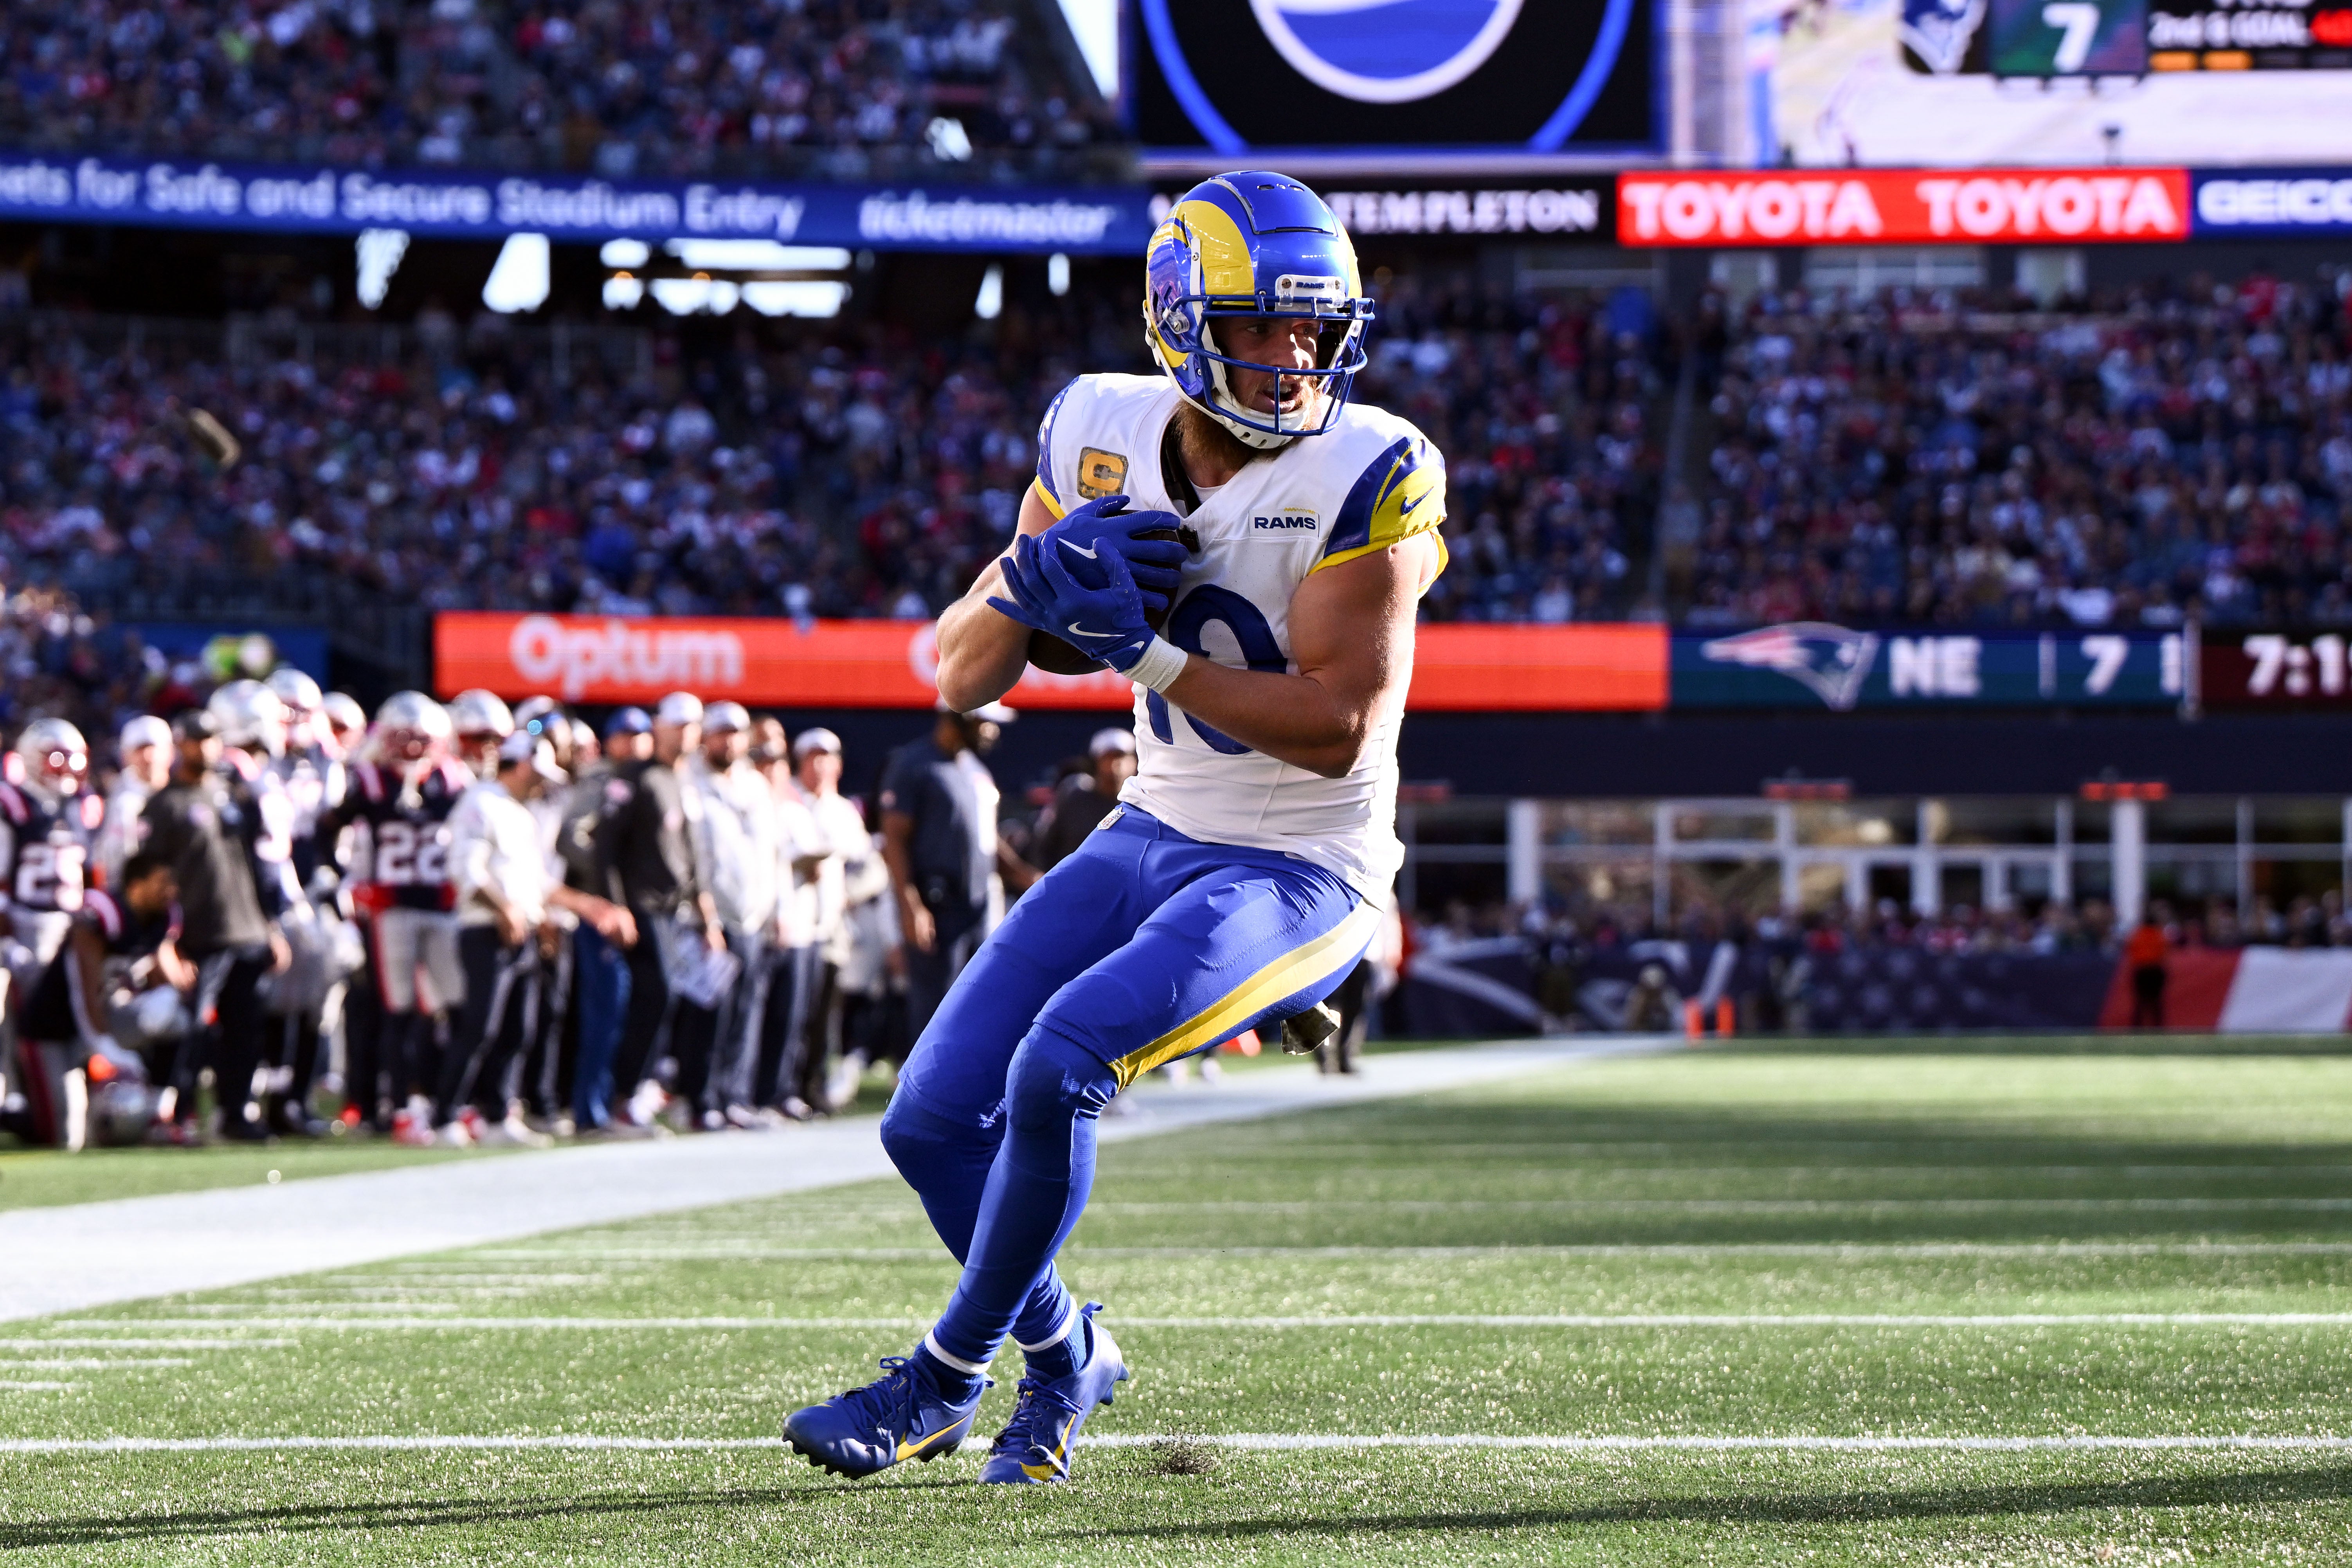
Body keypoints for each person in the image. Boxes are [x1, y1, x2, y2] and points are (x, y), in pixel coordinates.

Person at [784, 172, 1444, 1484]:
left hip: (1300, 864)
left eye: (1314, 330)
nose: (1293, 357)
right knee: (925, 1122)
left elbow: (1341, 727)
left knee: (1061, 1061)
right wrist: (1027, 584)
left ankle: (942, 1375)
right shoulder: (1094, 427)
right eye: (1260, 326)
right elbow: (959, 672)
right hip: (1149, 833)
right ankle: (1069, 1346)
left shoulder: (1375, 463)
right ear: (1183, 317)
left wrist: (1138, 654)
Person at [440, 731, 631, 1145]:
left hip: (522, 929)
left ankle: (499, 1114)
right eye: (537, 773)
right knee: (480, 1026)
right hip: (485, 929)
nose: (542, 783)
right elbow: (466, 870)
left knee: (518, 1029)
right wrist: (504, 907)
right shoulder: (480, 802)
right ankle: (445, 1115)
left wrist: (584, 906)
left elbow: (535, 882)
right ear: (521, 764)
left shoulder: (521, 812)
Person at [321, 691, 473, 1144]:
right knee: (397, 1012)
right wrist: (346, 882)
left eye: (421, 738)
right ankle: (399, 1106)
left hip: (442, 909)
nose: (412, 748)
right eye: (404, 738)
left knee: (455, 1007)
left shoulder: (455, 779)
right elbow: (328, 831)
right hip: (390, 911)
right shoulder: (368, 780)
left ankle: (442, 1101)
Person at [143, 709, 295, 1142]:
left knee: (246, 1031)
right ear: (181, 745)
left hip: (246, 928)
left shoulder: (233, 795)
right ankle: (179, 1115)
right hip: (197, 932)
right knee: (190, 1030)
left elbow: (257, 866)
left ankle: (235, 1113)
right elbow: (151, 879)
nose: (206, 748)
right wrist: (163, 941)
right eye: (197, 740)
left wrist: (270, 925)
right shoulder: (165, 803)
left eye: (212, 739)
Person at [595, 691, 724, 1132]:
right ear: (659, 726)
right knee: (655, 995)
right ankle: (624, 1094)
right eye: (677, 724)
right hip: (641, 906)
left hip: (676, 910)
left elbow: (693, 856)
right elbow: (605, 848)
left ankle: (640, 1090)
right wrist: (614, 906)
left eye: (692, 726)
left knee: (672, 1000)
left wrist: (706, 910)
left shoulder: (684, 778)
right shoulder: (636, 776)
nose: (685, 733)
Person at [877, 701, 1036, 1048]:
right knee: (937, 1007)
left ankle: (961, 1093)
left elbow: (986, 838)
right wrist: (911, 906)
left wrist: (1027, 877)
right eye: (986, 723)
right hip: (936, 906)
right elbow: (894, 839)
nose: (993, 732)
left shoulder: (975, 769)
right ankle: (923, 1095)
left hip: (976, 906)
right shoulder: (914, 764)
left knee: (976, 1002)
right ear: (961, 718)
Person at [8, 850, 191, 1149]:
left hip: (103, 1015)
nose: (170, 890)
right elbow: (85, 992)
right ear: (136, 885)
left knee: (177, 1019)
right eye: (162, 882)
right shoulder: (103, 915)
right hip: (55, 1027)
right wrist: (109, 1050)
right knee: (65, 1136)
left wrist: (172, 991)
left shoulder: (162, 917)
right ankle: (14, 1116)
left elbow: (164, 969)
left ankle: (159, 1109)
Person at [686, 701, 783, 1129]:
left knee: (747, 1011)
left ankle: (734, 1096)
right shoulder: (690, 781)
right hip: (713, 915)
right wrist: (703, 911)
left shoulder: (755, 786)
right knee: (711, 1014)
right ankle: (702, 1099)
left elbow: (772, 852)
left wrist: (775, 908)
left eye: (735, 733)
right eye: (720, 732)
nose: (728, 741)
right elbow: (693, 858)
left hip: (752, 913)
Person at [566, 707, 649, 1132]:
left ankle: (619, 1100)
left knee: (635, 1009)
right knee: (604, 1010)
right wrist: (609, 868)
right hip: (600, 910)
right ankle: (590, 1107)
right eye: (625, 735)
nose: (633, 743)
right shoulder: (600, 780)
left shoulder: (651, 778)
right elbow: (571, 836)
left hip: (638, 909)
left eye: (641, 735)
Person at [787, 726, 873, 1113]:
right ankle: (785, 1084)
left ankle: (813, 1084)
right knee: (792, 1009)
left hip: (832, 925)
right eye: (812, 758)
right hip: (794, 921)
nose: (820, 766)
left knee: (825, 1012)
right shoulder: (788, 802)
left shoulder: (843, 811)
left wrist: (847, 894)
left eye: (827, 758)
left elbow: (871, 867)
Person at [1032, 728, 1137, 871]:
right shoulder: (1074, 799)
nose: (1115, 766)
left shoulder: (1144, 804)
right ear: (1095, 763)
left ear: (1135, 762)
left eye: (1121, 757)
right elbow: (1045, 848)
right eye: (1108, 758)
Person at [94, 715, 173, 890]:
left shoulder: (182, 796)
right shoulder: (114, 800)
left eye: (154, 747)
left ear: (170, 752)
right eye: (139, 749)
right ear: (125, 756)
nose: (148, 756)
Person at [2127, 911, 2170, 1028]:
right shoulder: (2159, 934)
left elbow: (2131, 951)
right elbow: (2164, 953)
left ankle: (2137, 1027)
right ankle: (2158, 1027)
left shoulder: (2137, 934)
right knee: (2156, 1002)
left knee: (2141, 1002)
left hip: (2141, 971)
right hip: (2155, 971)